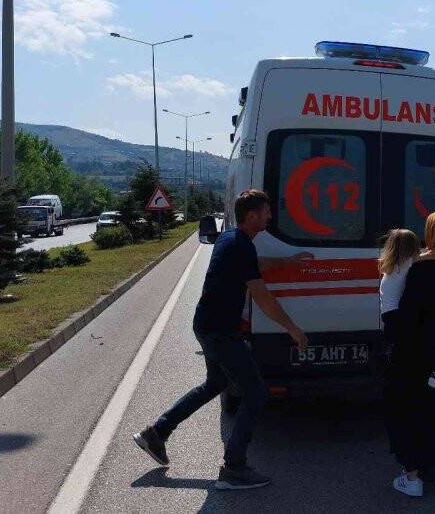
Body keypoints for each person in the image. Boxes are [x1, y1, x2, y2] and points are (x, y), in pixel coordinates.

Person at [132, 189, 311, 491]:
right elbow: (262, 296)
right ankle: (234, 468)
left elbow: (255, 265)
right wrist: (292, 329)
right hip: (220, 331)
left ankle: (157, 433)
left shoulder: (232, 239)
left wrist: (289, 260)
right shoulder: (240, 245)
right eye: (266, 212)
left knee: (214, 385)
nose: (270, 216)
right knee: (255, 393)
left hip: (207, 325)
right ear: (252, 216)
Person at [385, 212, 435, 498]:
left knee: (409, 410)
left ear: (431, 233)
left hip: (415, 351)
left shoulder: (420, 269)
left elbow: (408, 314)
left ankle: (413, 475)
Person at [378, 228, 435, 394]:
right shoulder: (409, 262)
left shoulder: (393, 264)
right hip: (397, 317)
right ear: (411, 247)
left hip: (388, 316)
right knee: (429, 334)